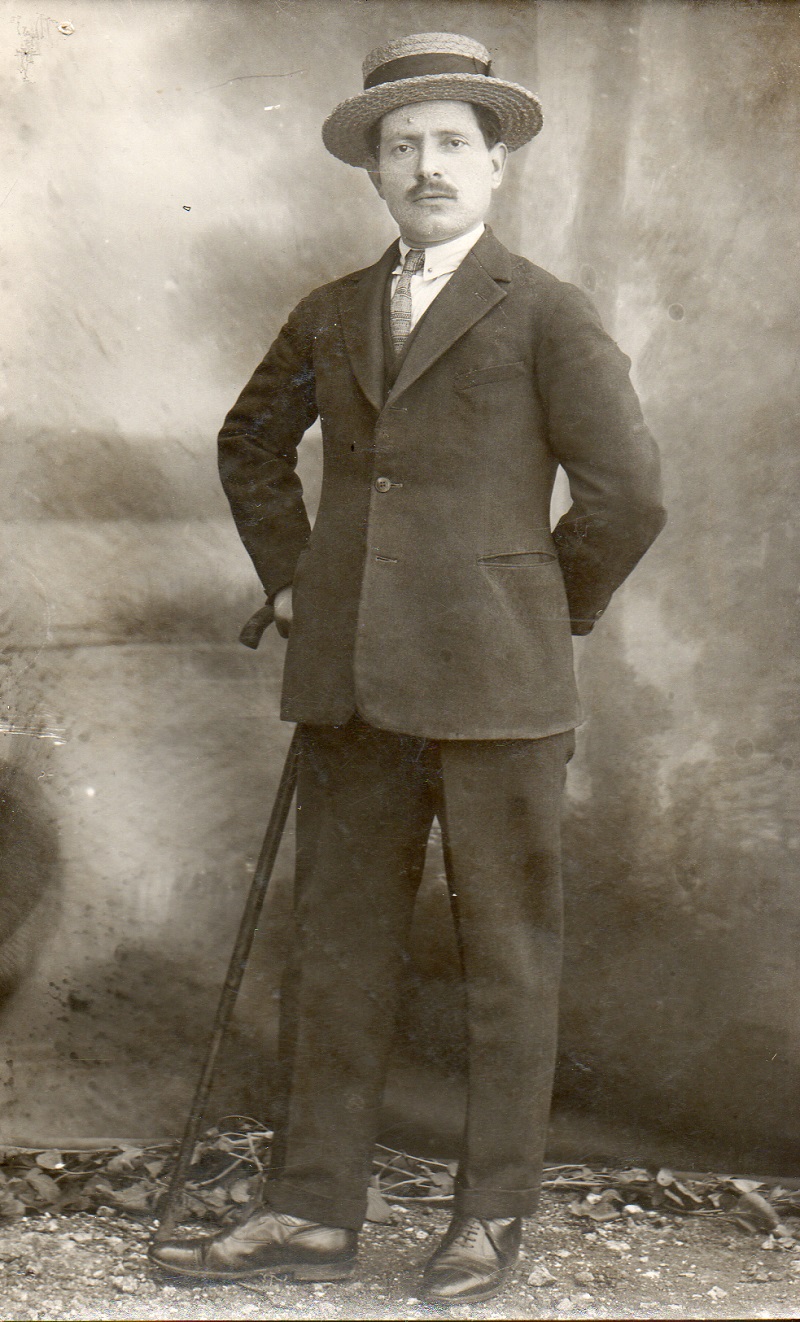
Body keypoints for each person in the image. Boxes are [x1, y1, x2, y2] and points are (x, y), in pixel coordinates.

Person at [150, 31, 666, 1304]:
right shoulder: (331, 309)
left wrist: (540, 609)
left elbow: (625, 495)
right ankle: (311, 1208)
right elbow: (249, 440)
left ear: (494, 165)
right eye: (401, 146)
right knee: (335, 950)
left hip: (500, 692)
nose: (426, 166)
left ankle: (489, 1215)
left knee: (506, 959)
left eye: (449, 142)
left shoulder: (545, 308)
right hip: (352, 690)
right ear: (373, 171)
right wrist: (293, 577)